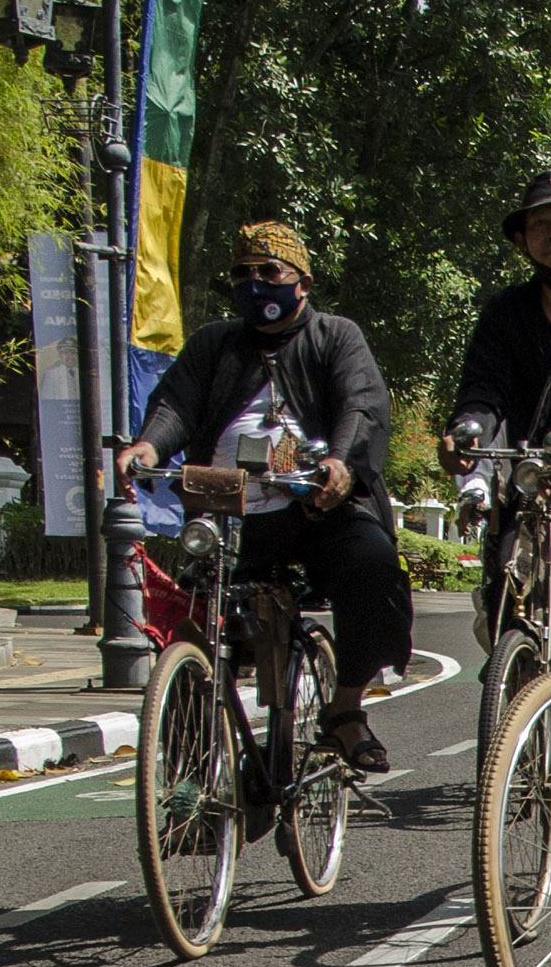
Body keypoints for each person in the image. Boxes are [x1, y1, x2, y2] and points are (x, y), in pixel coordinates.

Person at [121, 221, 416, 773]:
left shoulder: (336, 336)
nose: (255, 283)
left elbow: (362, 407)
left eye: (269, 271)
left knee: (373, 563)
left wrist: (339, 464)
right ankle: (191, 770)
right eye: (242, 273)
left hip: (317, 508)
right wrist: (146, 447)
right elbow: (175, 406)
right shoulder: (214, 342)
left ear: (301, 281)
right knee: (192, 623)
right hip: (229, 514)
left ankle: (347, 711)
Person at [443, 167, 551, 642]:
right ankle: (515, 691)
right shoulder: (505, 312)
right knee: (507, 605)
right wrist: (468, 428)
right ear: (522, 241)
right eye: (539, 225)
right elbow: (484, 387)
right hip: (529, 480)